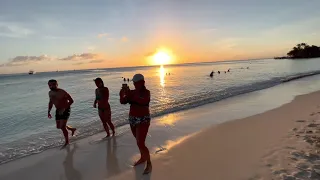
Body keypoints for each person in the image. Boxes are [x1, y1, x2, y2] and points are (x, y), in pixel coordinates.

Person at [119, 74, 152, 174]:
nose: (133, 84)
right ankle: (143, 157)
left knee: (140, 142)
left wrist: (131, 95)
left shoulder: (146, 93)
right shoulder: (132, 92)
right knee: (138, 141)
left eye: (135, 82)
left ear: (142, 83)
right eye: (133, 82)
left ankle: (149, 163)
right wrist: (122, 93)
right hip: (132, 118)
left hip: (143, 119)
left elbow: (143, 101)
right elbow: (122, 101)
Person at [47, 79, 76, 147]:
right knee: (59, 126)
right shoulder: (50, 93)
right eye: (50, 85)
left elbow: (71, 101)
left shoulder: (62, 92)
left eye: (54, 84)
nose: (52, 86)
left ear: (57, 84)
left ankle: (67, 142)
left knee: (62, 126)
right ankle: (72, 129)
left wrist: (64, 108)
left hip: (66, 109)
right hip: (58, 110)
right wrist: (49, 111)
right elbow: (51, 102)